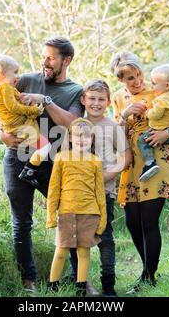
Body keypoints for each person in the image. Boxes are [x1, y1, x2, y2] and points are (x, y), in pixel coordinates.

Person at [0, 37, 84, 293]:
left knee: (68, 217)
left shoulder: (76, 91)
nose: (44, 62)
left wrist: (45, 100)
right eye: (44, 56)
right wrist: (0, 132)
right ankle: (28, 281)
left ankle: (80, 281)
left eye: (51, 58)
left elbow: (73, 124)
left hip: (53, 161)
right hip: (16, 158)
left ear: (67, 61)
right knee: (21, 223)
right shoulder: (25, 79)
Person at [110, 52, 169, 291]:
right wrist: (125, 115)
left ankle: (148, 277)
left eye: (138, 75)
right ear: (121, 80)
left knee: (148, 220)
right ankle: (147, 272)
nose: (137, 81)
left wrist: (166, 133)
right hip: (131, 162)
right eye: (129, 78)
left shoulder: (160, 89)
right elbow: (115, 133)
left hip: (158, 159)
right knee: (132, 222)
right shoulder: (118, 98)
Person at [68, 80, 131, 297]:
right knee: (77, 239)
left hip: (104, 192)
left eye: (101, 99)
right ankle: (81, 286)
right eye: (92, 98)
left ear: (108, 102)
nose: (96, 103)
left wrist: (106, 176)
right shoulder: (76, 126)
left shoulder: (112, 126)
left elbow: (126, 157)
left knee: (105, 237)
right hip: (78, 193)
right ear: (83, 99)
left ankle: (109, 287)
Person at [46, 118, 107, 297]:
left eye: (87, 137)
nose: (82, 140)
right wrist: (51, 215)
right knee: (61, 252)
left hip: (89, 213)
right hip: (66, 212)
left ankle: (81, 291)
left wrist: (102, 220)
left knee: (83, 253)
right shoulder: (61, 158)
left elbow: (100, 193)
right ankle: (52, 288)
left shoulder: (95, 161)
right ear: (71, 138)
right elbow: (53, 188)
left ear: (92, 140)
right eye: (78, 136)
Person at [0, 54, 51, 188]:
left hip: (15, 126)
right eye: (15, 72)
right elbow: (13, 107)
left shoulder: (1, 88)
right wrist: (33, 111)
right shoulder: (4, 87)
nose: (18, 76)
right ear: (2, 72)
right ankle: (29, 171)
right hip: (18, 126)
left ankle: (29, 169)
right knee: (45, 146)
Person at [137, 64, 169, 182]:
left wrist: (147, 112)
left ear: (166, 85)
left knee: (143, 140)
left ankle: (150, 163)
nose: (151, 85)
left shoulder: (161, 101)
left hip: (161, 130)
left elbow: (156, 115)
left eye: (154, 83)